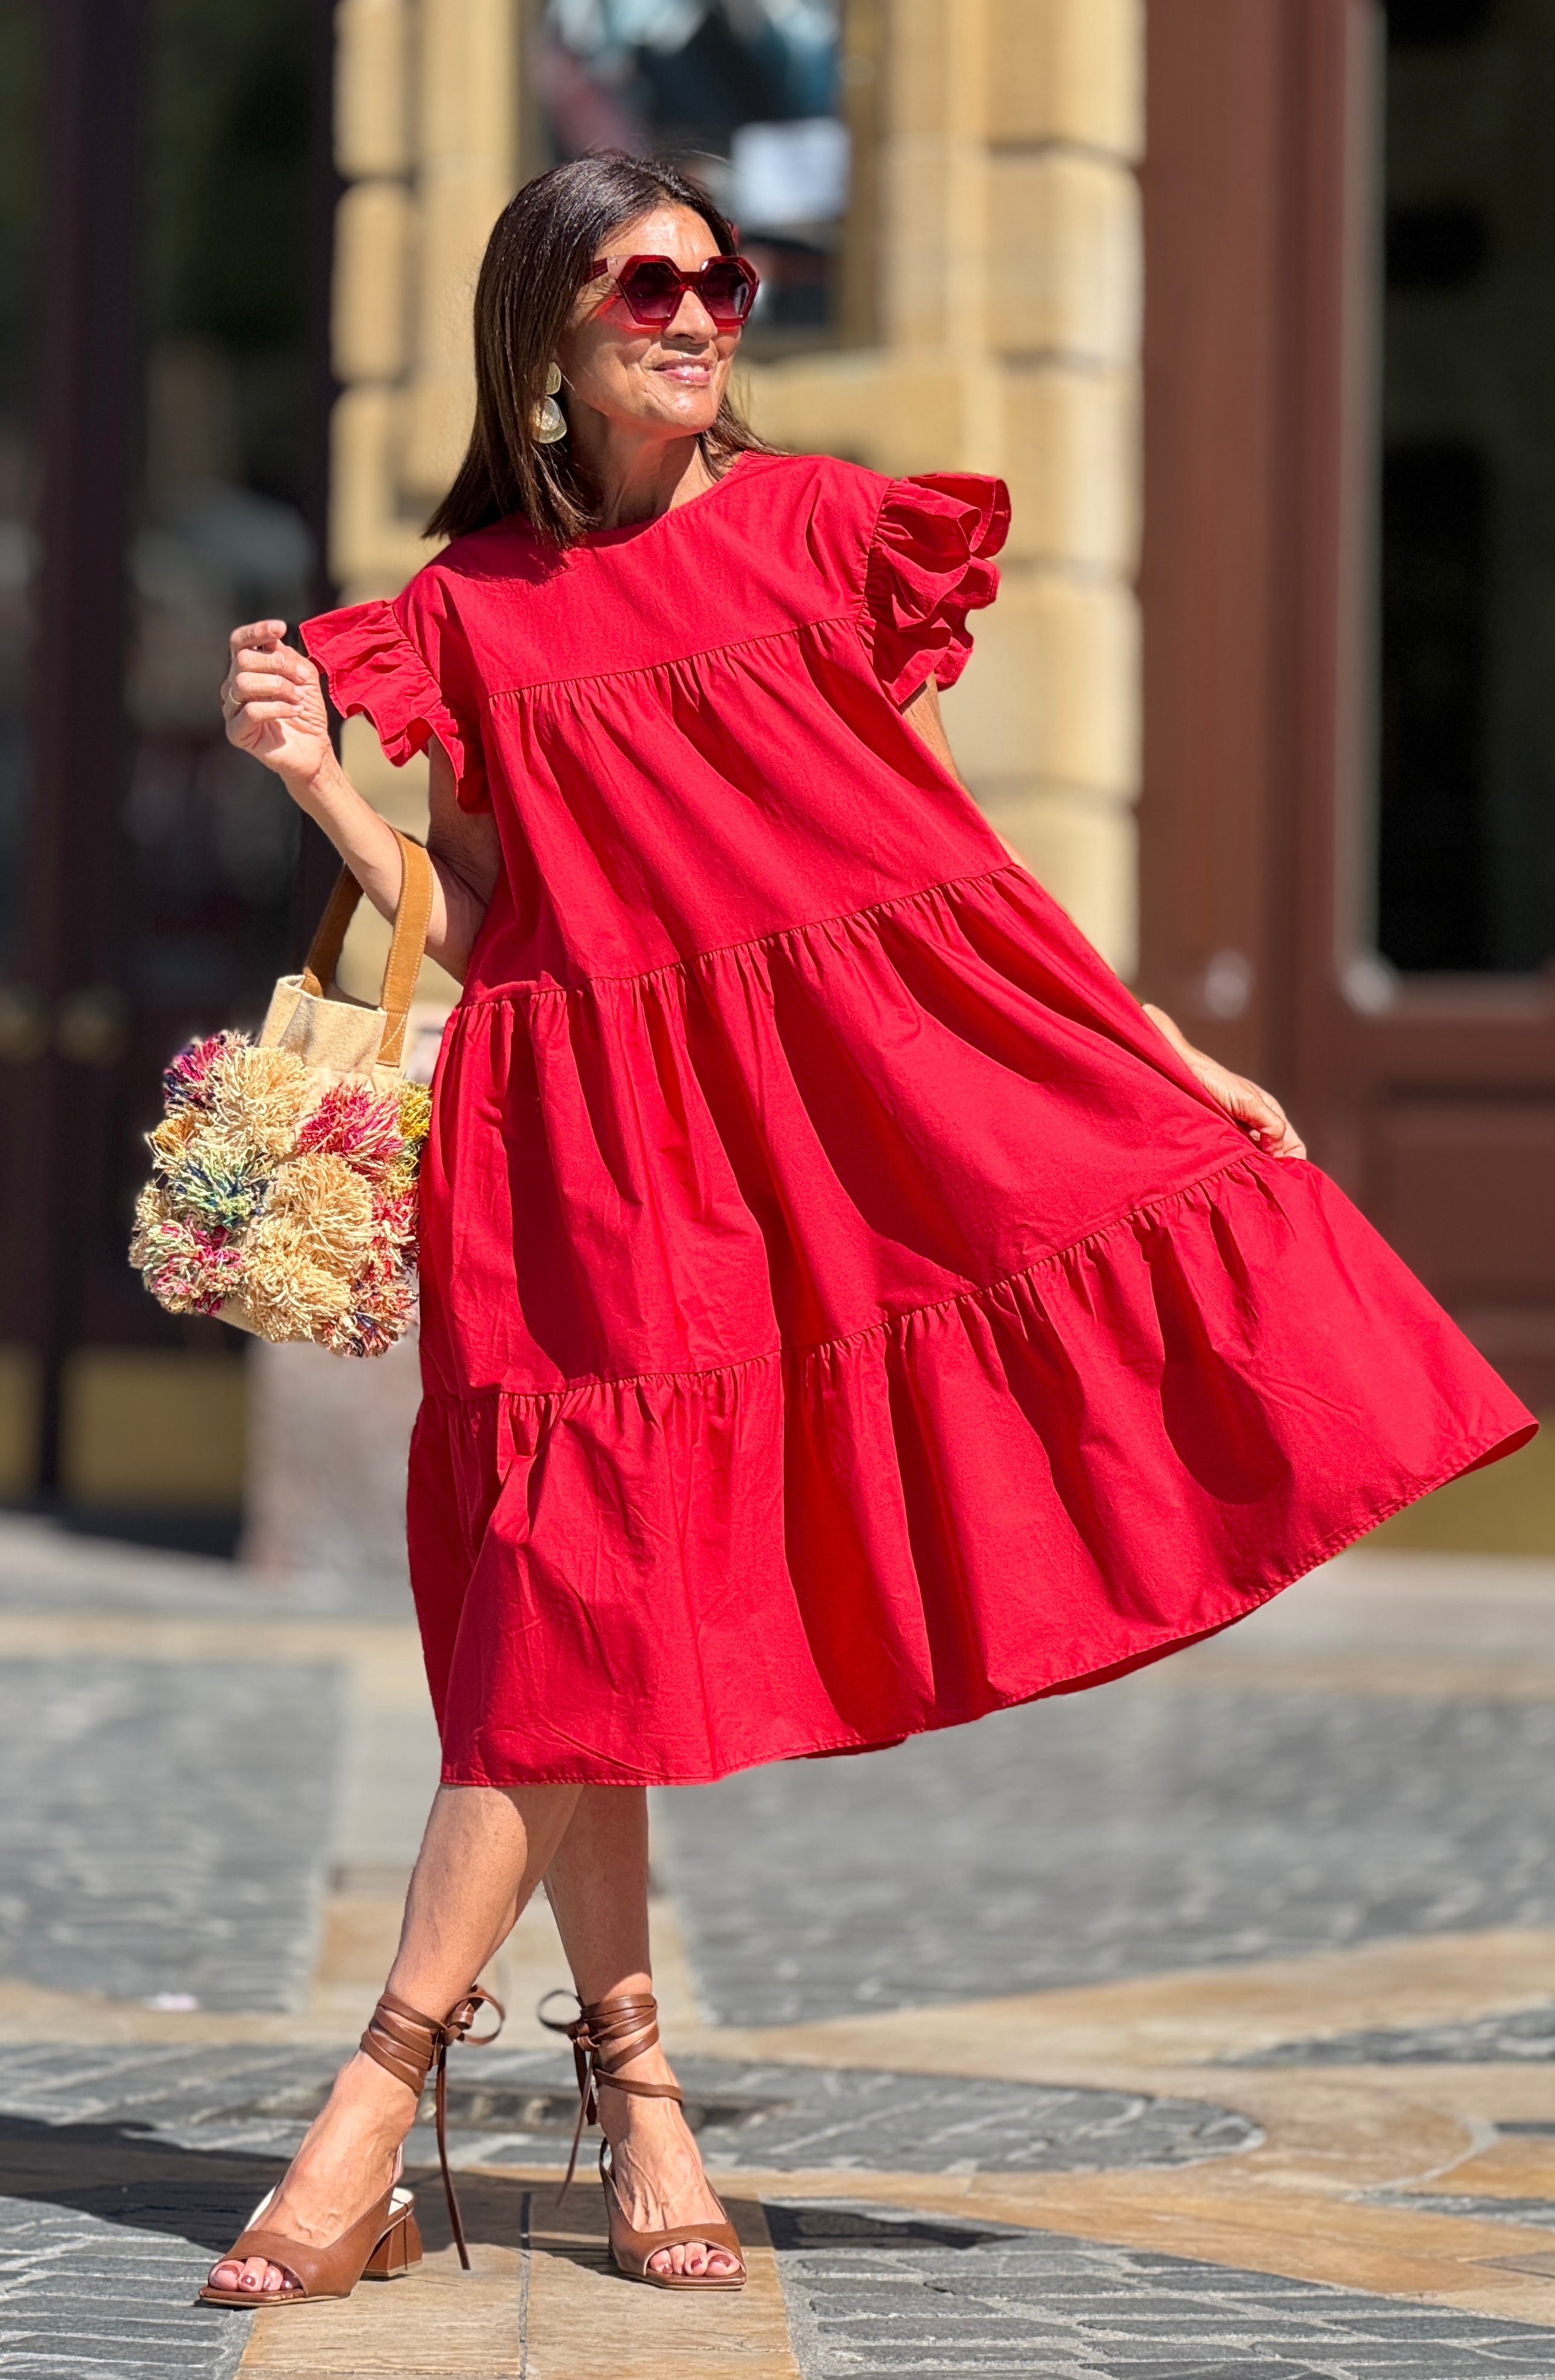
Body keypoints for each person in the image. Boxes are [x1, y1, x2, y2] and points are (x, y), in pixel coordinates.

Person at [199, 153, 1534, 2311]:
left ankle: (381, 2101)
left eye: (724, 279)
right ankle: (630, 2093)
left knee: (578, 1623)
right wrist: (317, 786)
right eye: (649, 282)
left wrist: (1162, 1062)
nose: (701, 312)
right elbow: (480, 931)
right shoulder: (458, 608)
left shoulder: (822, 527)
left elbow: (950, 868)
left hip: (801, 1129)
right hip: (570, 1143)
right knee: (569, 1615)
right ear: (547, 329)